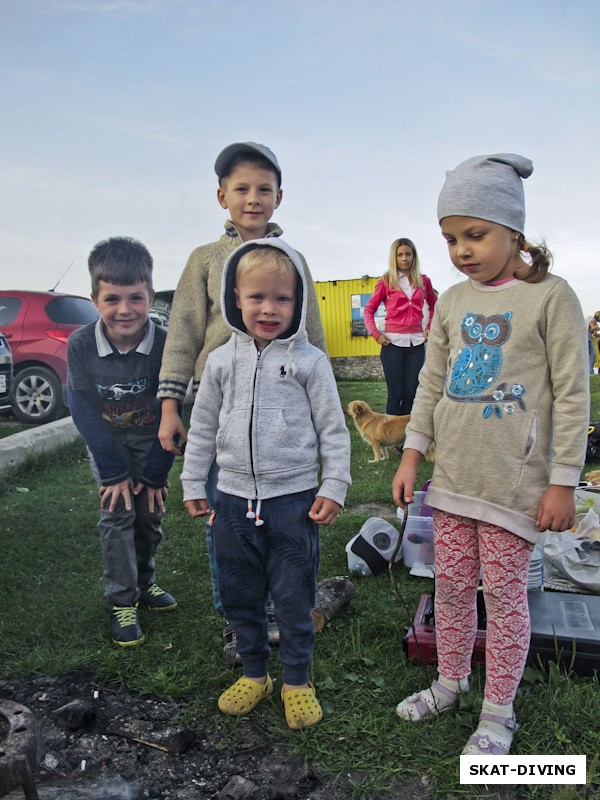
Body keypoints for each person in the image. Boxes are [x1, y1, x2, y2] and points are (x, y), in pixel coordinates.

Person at [391, 153, 589, 756]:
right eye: (450, 238)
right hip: (453, 480)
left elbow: (573, 394)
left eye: (475, 235)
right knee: (451, 588)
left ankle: (498, 713)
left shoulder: (553, 299)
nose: (460, 250)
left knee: (504, 600)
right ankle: (450, 681)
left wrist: (563, 482)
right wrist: (411, 454)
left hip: (514, 488)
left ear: (514, 231)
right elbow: (429, 384)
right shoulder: (448, 303)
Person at [156, 142, 327, 637]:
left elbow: (311, 332)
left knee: (286, 513)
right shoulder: (205, 260)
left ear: (279, 197)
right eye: (241, 189)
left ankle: (287, 605)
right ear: (221, 196)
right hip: (221, 406)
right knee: (224, 513)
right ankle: (236, 611)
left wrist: (317, 406)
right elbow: (183, 331)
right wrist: (170, 406)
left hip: (280, 407)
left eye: (264, 189)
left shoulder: (293, 260)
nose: (253, 198)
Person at [180, 239, 351, 729]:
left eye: (282, 298)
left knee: (295, 595)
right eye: (257, 297)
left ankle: (296, 679)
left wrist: (333, 485)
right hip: (231, 501)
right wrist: (195, 482)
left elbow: (334, 430)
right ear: (235, 297)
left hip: (292, 502)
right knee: (240, 594)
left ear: (298, 303)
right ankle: (255, 673)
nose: (269, 309)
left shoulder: (311, 362)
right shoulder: (219, 362)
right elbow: (205, 429)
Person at [67, 237, 176, 648]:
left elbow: (175, 408)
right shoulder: (81, 344)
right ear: (95, 299)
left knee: (149, 515)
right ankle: (120, 600)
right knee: (117, 514)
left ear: (150, 295)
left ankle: (144, 583)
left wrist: (156, 472)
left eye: (135, 297)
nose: (124, 309)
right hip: (108, 444)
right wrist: (113, 473)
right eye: (112, 299)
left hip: (154, 442)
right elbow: (82, 409)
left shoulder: (164, 343)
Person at [364, 238, 437, 417]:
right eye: (400, 255)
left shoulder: (423, 281)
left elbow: (434, 306)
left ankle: (406, 440)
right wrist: (375, 333)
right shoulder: (387, 280)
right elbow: (369, 310)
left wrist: (429, 327)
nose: (404, 258)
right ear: (394, 257)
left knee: (411, 394)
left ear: (414, 256)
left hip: (417, 345)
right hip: (392, 345)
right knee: (396, 395)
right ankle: (393, 440)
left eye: (408, 254)